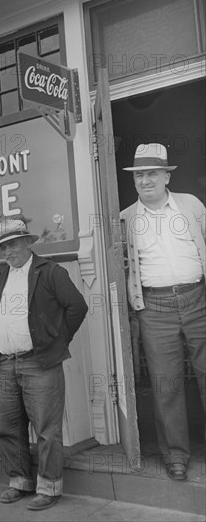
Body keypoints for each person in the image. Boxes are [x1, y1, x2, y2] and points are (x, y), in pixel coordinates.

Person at [0, 217, 88, 511]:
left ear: (28, 242)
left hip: (40, 363)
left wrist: (56, 341)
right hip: (7, 363)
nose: (9, 251)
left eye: (14, 243)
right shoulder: (0, 276)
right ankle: (19, 481)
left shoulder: (51, 271)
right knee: (9, 426)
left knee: (46, 429)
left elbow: (77, 307)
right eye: (4, 246)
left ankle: (49, 487)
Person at [121, 143, 206, 481]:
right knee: (166, 383)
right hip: (154, 308)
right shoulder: (126, 218)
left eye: (152, 173)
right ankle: (176, 456)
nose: (145, 180)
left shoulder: (191, 205)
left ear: (167, 175)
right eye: (139, 175)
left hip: (198, 298)